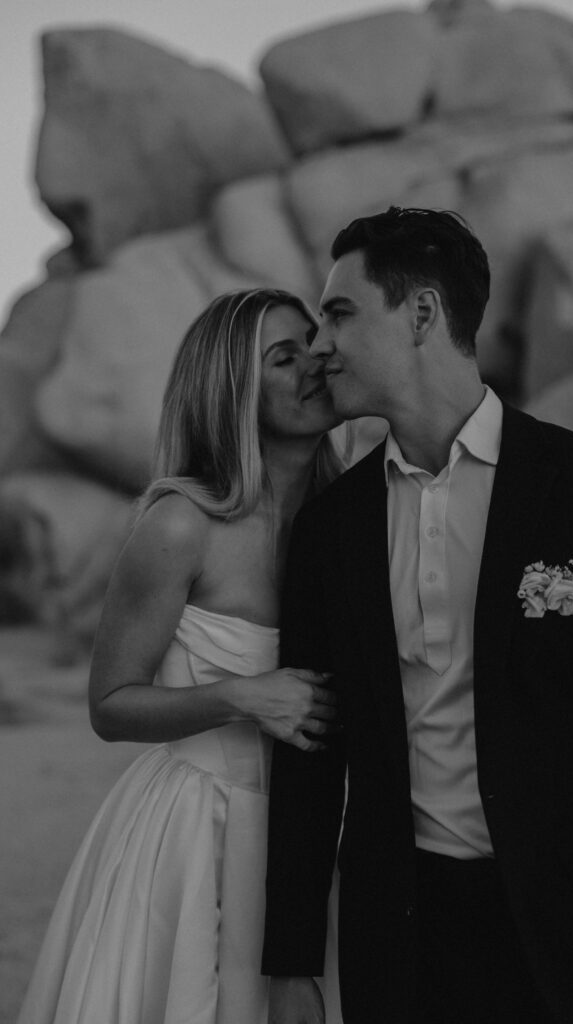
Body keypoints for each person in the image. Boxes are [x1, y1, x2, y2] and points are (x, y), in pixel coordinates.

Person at [262, 207, 573, 1024]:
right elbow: (312, 752)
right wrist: (291, 960)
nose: (320, 345)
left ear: (421, 313)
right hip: (403, 944)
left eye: (341, 313)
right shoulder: (330, 528)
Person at [17, 288, 344, 1024]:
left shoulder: (352, 515)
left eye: (313, 347)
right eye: (282, 358)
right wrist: (240, 696)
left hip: (317, 835)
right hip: (196, 835)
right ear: (231, 388)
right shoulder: (181, 525)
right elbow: (109, 704)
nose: (314, 367)